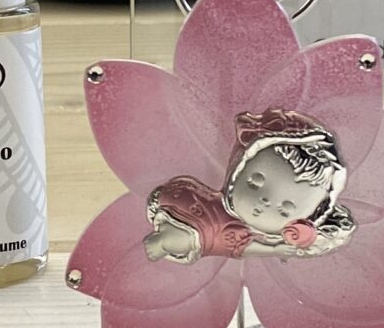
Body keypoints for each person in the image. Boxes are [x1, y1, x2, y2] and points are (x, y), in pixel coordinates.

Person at [142, 107, 357, 262]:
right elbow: (248, 249)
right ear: (237, 168)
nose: (264, 202)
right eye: (255, 182)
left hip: (212, 231)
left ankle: (167, 240)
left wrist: (285, 245)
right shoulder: (231, 227)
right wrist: (275, 250)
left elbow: (249, 248)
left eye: (284, 210)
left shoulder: (248, 234)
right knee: (189, 236)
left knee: (200, 239)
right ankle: (166, 239)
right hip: (196, 211)